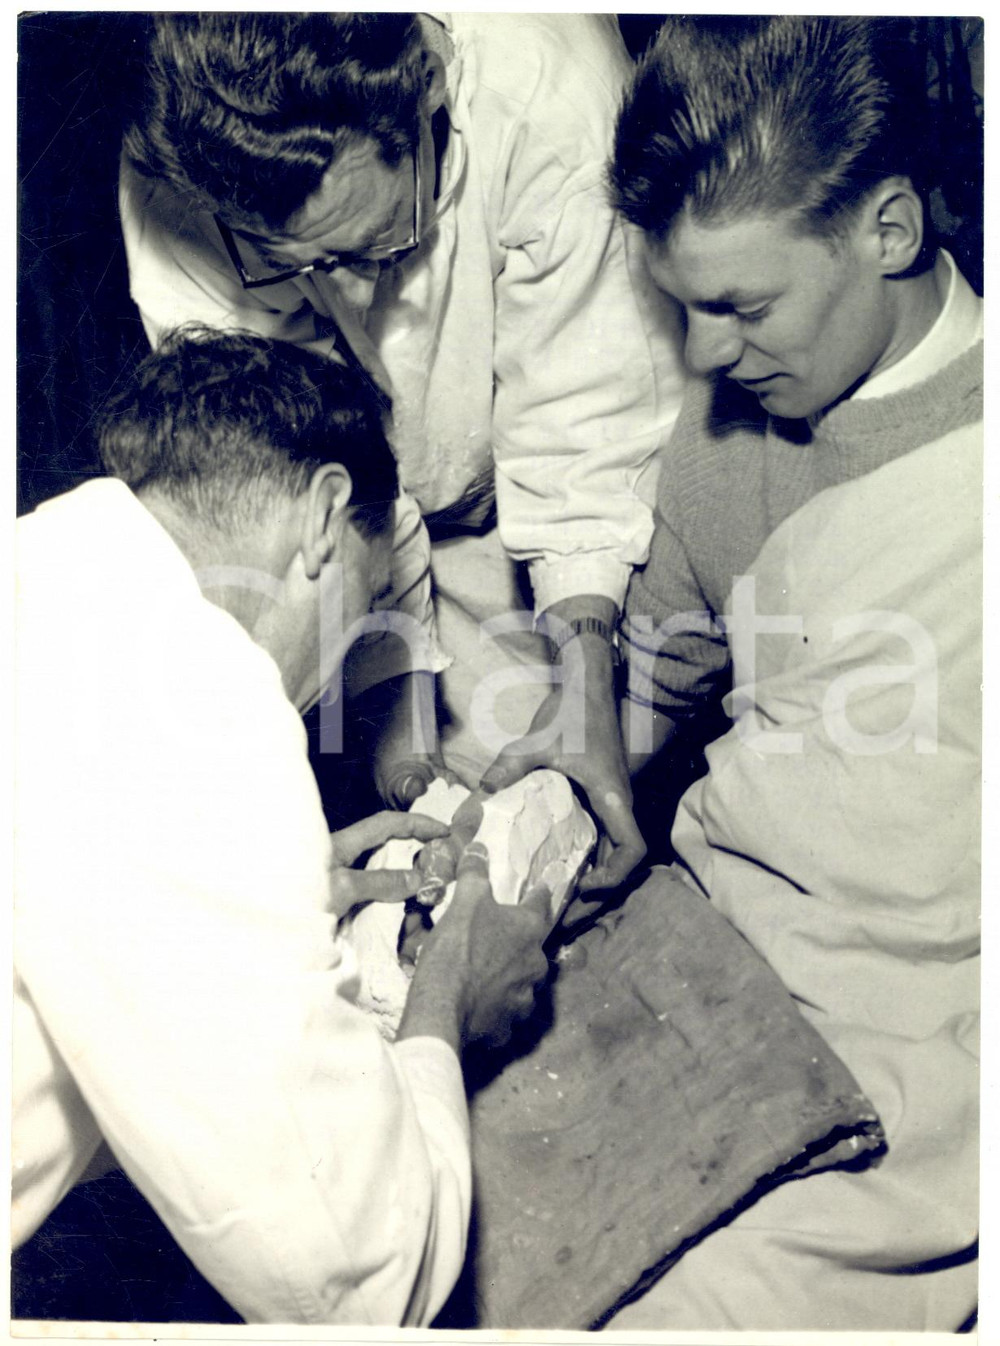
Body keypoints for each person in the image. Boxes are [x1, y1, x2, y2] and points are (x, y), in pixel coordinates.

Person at [13, 329, 552, 1325]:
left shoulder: (46, 567)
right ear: (324, 516)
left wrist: (266, 904)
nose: (345, 651)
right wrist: (448, 999)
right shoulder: (199, 705)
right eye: (370, 596)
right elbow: (364, 1278)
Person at [118, 12, 687, 890]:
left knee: (540, 817)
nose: (351, 298)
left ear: (430, 89)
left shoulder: (552, 93)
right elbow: (295, 489)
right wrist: (399, 705)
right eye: (291, 262)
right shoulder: (177, 181)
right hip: (381, 538)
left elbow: (591, 418)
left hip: (547, 505)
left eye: (380, 241)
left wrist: (585, 670)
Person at [601, 17, 981, 1330]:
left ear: (888, 229)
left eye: (741, 307)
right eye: (679, 308)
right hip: (719, 960)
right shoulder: (723, 428)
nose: (704, 357)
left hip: (930, 1025)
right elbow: (641, 692)